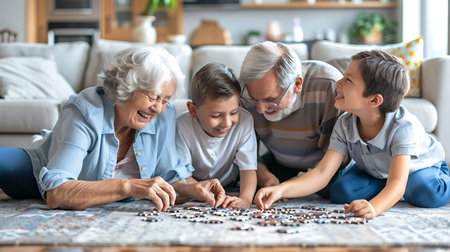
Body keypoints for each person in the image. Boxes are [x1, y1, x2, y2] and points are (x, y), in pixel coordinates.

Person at [0, 47, 226, 211]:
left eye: (165, 99)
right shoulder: (84, 111)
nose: (158, 107)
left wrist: (194, 189)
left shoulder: (164, 115)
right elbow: (57, 193)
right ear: (126, 87)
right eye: (152, 96)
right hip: (38, 167)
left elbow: (168, 176)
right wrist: (128, 187)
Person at [254, 50, 450, 219]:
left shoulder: (403, 127)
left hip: (417, 171)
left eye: (348, 80)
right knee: (341, 191)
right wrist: (280, 190)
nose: (337, 83)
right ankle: (385, 189)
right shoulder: (345, 122)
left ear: (374, 100)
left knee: (426, 192)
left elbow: (398, 182)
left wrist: (374, 207)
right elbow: (322, 173)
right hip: (377, 172)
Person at [239, 41, 344, 192]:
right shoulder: (245, 90)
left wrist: (293, 186)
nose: (260, 110)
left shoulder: (329, 86)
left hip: (323, 168)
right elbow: (245, 151)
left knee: (342, 190)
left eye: (270, 100)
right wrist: (264, 177)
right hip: (279, 162)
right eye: (254, 99)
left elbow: (338, 156)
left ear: (297, 85)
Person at [176, 63, 257, 208]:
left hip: (231, 181)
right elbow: (182, 174)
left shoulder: (245, 121)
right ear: (193, 110)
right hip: (194, 183)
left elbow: (248, 169)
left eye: (233, 112)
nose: (226, 123)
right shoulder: (181, 126)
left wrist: (245, 199)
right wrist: (204, 193)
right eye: (216, 115)